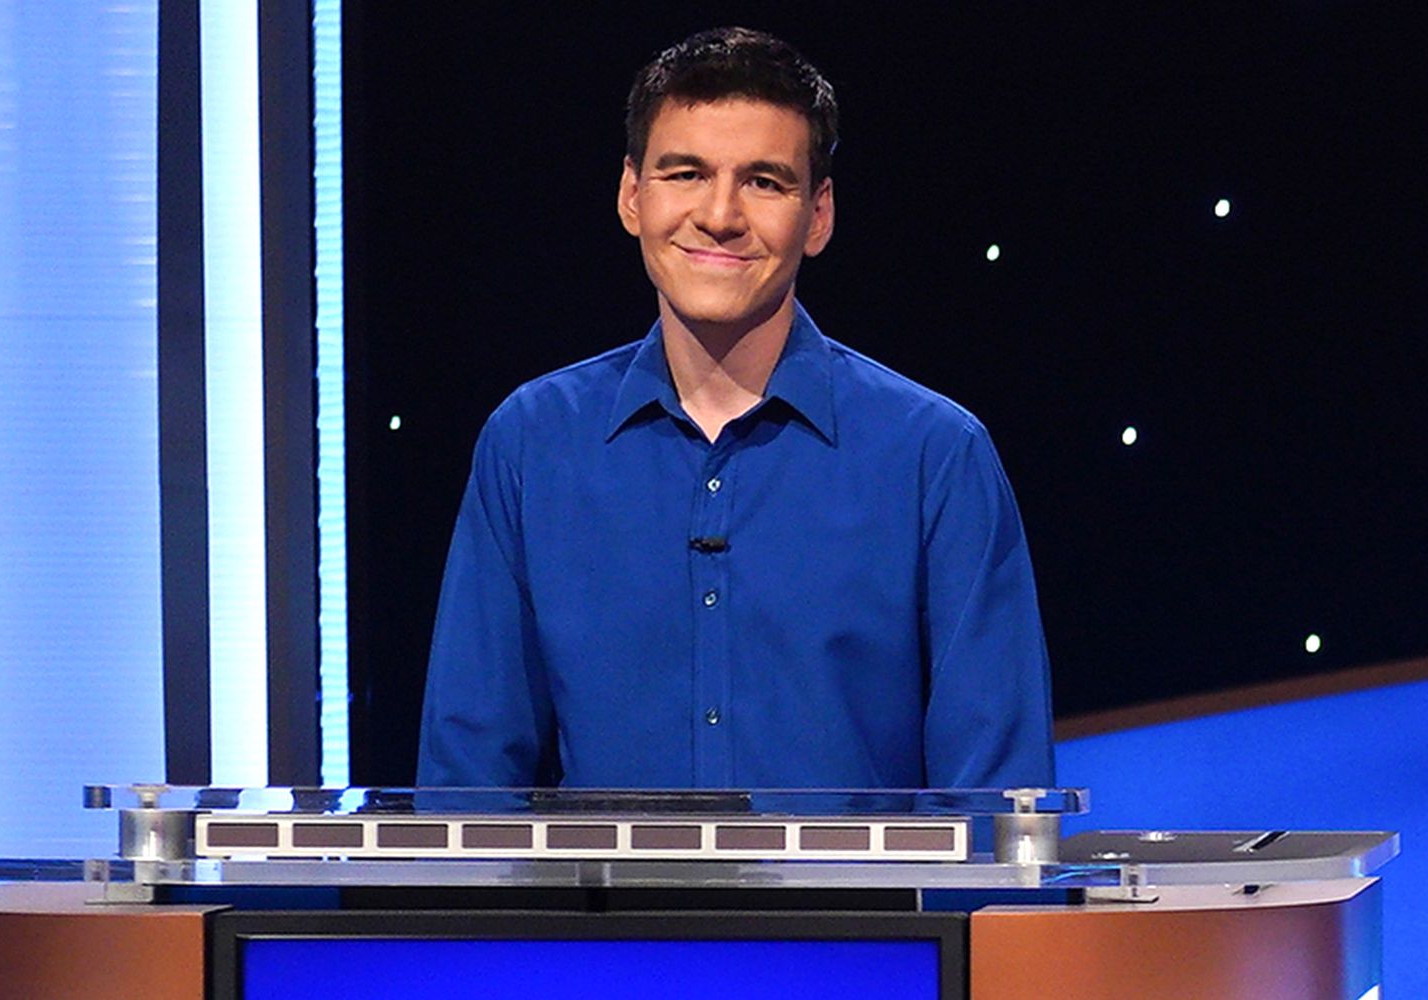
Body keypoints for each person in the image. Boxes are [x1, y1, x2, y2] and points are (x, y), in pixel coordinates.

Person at [417, 27, 1054, 790]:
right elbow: (467, 789)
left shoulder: (934, 455)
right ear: (632, 196)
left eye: (764, 182)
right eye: (685, 173)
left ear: (818, 216)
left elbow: (996, 804)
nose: (719, 215)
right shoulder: (531, 444)